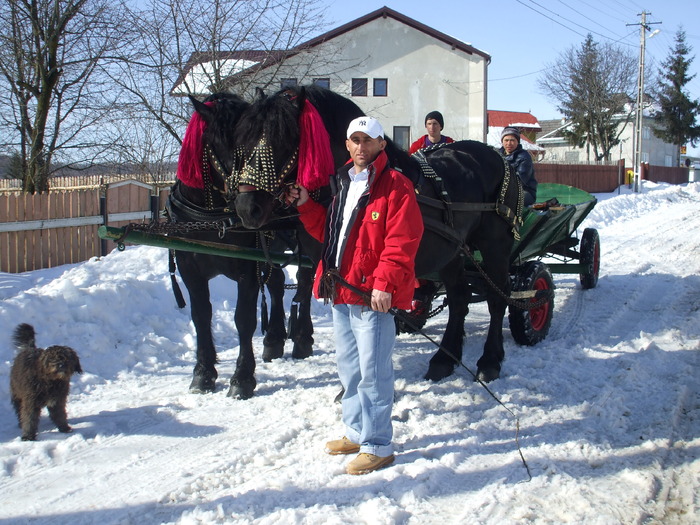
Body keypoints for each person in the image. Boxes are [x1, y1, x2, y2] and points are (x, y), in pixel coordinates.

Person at [287, 116, 423, 475]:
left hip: (370, 296)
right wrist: (304, 203)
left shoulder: (396, 185)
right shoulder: (345, 184)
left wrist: (384, 283)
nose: (361, 147)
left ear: (381, 145)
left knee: (373, 373)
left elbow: (402, 240)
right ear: (347, 145)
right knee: (349, 369)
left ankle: (378, 444)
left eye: (369, 140)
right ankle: (355, 431)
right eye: (355, 140)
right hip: (341, 292)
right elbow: (331, 234)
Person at [498, 126, 537, 206]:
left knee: (507, 200)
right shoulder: (497, 156)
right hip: (502, 190)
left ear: (517, 142)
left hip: (524, 192)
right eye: (506, 140)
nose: (509, 143)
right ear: (502, 141)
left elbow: (519, 181)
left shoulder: (524, 157)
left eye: (512, 140)